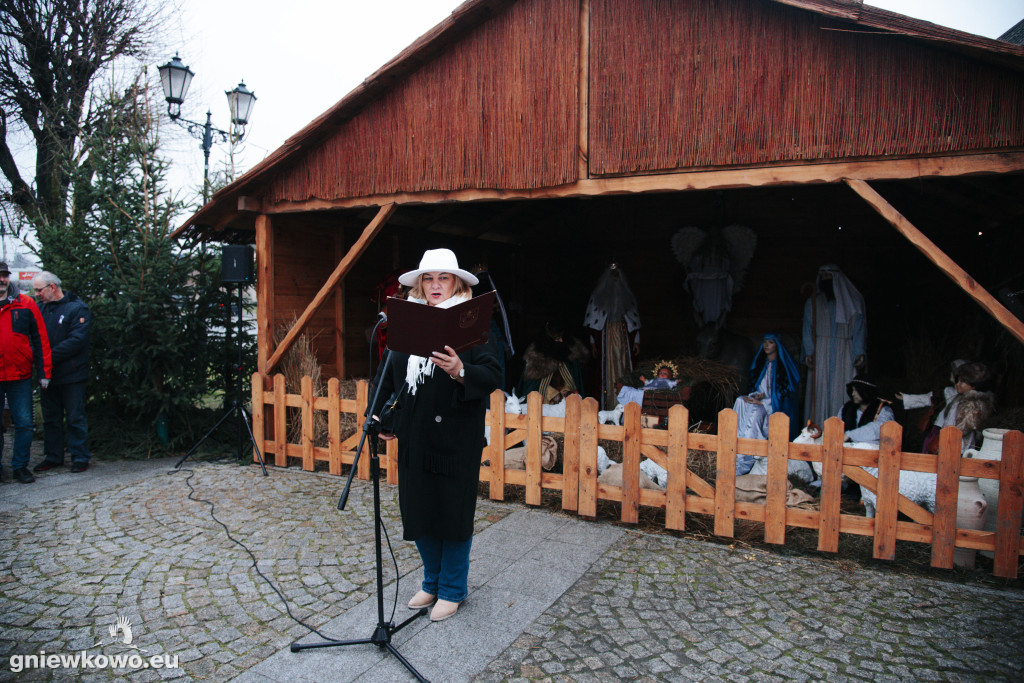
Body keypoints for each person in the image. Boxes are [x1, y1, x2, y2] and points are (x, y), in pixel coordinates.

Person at [370, 248, 502, 623]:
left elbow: (492, 375)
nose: (435, 285)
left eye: (443, 278)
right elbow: (387, 377)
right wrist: (378, 418)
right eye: (428, 278)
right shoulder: (406, 323)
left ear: (457, 283)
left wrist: (462, 370)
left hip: (456, 437)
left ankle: (453, 589)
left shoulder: (472, 324)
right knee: (420, 511)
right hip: (416, 435)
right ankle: (432, 581)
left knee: (452, 513)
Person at [31, 272, 91, 474]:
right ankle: (53, 456)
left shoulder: (77, 308)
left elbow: (76, 341)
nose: (36, 293)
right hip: (48, 374)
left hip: (72, 374)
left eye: (39, 290)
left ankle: (80, 456)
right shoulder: (40, 309)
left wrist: (46, 356)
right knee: (51, 417)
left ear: (52, 287)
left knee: (74, 417)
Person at [0, 262, 52, 484]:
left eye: (4, 276)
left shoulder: (26, 303)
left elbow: (41, 339)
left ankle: (20, 466)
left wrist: (44, 372)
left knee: (24, 423)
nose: (1, 280)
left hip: (20, 375)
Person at [802, 264, 866, 425]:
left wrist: (859, 352)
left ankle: (842, 428)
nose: (825, 281)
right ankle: (818, 429)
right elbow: (807, 328)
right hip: (821, 351)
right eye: (822, 277)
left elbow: (859, 328)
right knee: (819, 391)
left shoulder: (853, 302)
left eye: (828, 277)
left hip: (844, 352)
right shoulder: (813, 303)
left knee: (842, 390)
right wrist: (809, 351)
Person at [734, 333, 801, 474]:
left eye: (770, 342)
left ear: (777, 345)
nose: (766, 345)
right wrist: (755, 396)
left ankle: (747, 455)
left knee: (756, 412)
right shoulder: (763, 364)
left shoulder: (782, 368)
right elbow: (760, 388)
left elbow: (782, 396)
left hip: (772, 406)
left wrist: (763, 402)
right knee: (740, 400)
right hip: (760, 401)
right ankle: (736, 447)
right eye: (764, 341)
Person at [583, 263, 641, 410]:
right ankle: (608, 404)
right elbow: (593, 325)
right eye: (612, 276)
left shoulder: (627, 296)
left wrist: (636, 341)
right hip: (605, 338)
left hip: (623, 338)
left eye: (617, 276)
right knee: (605, 369)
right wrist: (593, 343)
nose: (614, 280)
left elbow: (634, 322)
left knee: (624, 366)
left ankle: (626, 403)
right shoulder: (597, 296)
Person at [897, 359, 969, 454]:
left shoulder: (973, 398)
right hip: (940, 427)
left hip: (960, 432)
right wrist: (907, 398)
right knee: (932, 449)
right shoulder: (947, 391)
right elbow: (928, 398)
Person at [927, 361, 996, 453]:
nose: (958, 384)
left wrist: (943, 439)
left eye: (963, 381)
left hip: (959, 448)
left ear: (974, 385)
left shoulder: (974, 404)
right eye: (958, 380)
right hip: (947, 443)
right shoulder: (961, 398)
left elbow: (962, 429)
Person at [518, 322, 587, 404]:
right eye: (557, 339)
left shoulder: (570, 355)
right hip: (545, 403)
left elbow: (574, 383)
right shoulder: (536, 358)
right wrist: (552, 394)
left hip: (566, 403)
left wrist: (566, 392)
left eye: (562, 338)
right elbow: (532, 387)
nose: (561, 341)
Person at [839, 374, 895, 446]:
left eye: (856, 390)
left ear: (866, 391)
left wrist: (850, 435)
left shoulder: (884, 409)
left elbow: (878, 428)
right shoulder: (846, 408)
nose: (853, 394)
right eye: (852, 390)